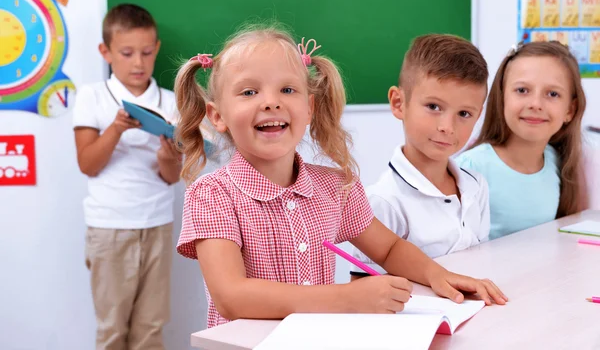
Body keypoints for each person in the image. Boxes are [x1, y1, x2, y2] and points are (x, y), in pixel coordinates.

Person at [174, 25, 507, 328]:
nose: (271, 102)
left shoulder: (335, 187)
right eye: (249, 93)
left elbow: (389, 249)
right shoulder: (211, 195)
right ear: (218, 116)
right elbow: (232, 298)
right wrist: (348, 299)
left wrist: (440, 276)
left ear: (310, 108)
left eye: (288, 90)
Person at [72, 3, 181, 349]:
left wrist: (169, 156)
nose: (138, 62)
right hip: (109, 227)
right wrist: (116, 129)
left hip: (157, 223)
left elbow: (172, 176)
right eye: (127, 53)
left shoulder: (170, 100)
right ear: (106, 52)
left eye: (147, 53)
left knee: (150, 327)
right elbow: (88, 164)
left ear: (157, 49)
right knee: (113, 329)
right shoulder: (92, 96)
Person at [351, 34, 491, 277]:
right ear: (398, 103)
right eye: (434, 107)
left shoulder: (476, 186)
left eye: (464, 114)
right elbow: (362, 287)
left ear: (478, 116)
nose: (447, 126)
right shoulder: (383, 201)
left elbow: (481, 262)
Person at [456, 41, 588, 239]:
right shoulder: (471, 167)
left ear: (569, 110)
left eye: (552, 94)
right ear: (502, 99)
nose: (535, 104)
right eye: (522, 90)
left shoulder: (559, 163)